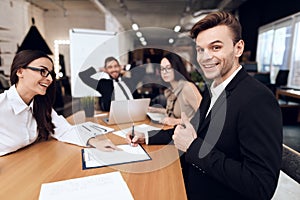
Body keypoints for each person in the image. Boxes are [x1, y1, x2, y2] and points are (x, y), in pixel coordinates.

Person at [126, 11, 282, 200]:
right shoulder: (213, 90)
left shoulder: (257, 99)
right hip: (188, 183)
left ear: (238, 48)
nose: (205, 57)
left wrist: (193, 148)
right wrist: (147, 137)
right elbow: (190, 130)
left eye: (215, 47)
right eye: (200, 50)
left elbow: (260, 186)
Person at [0, 50, 119, 156]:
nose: (50, 79)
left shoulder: (40, 104)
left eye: (50, 74)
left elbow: (63, 130)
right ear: (20, 72)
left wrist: (94, 141)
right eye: (43, 71)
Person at [148, 52, 202, 126]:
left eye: (168, 68)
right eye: (162, 69)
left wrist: (176, 121)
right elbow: (173, 112)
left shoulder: (187, 87)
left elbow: (204, 115)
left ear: (176, 67)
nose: (164, 72)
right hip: (176, 131)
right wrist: (156, 110)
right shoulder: (172, 89)